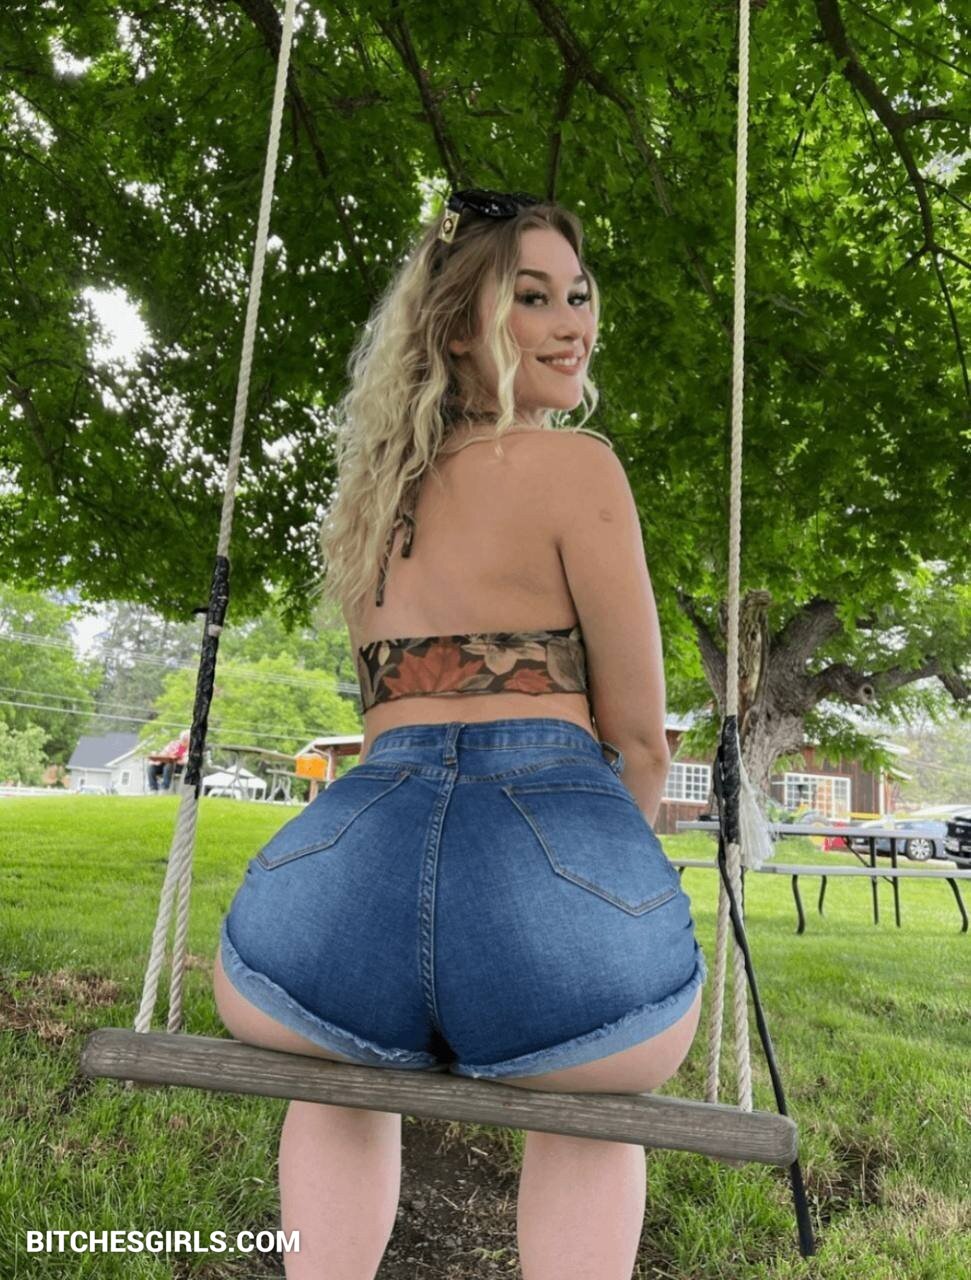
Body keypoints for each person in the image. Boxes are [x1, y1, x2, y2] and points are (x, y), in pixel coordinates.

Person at [214, 189, 707, 1280]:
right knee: (590, 1085)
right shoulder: (577, 467)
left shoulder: (372, 503)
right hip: (556, 903)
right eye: (531, 298)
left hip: (333, 910)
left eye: (577, 294)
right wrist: (589, 896)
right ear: (456, 328)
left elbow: (391, 727)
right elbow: (638, 740)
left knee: (337, 1075)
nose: (571, 322)